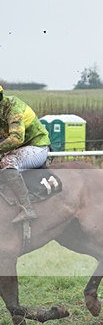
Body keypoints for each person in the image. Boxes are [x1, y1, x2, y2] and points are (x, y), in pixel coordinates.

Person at [0, 85, 51, 222]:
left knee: (7, 163)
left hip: (37, 147)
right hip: (15, 149)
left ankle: (28, 208)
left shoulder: (14, 108)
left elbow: (17, 138)